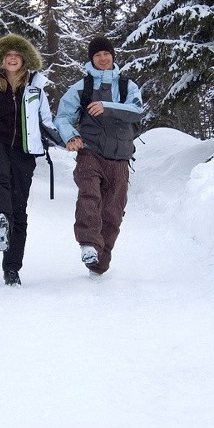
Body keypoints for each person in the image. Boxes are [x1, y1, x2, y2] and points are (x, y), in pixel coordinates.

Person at [0, 34, 58, 286]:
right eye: (8, 55)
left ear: (25, 60)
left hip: (25, 152)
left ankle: (12, 268)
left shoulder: (36, 88)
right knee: (0, 175)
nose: (13, 58)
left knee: (20, 210)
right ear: (2, 61)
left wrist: (68, 139)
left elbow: (46, 122)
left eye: (17, 55)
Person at [54, 36, 143, 276]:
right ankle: (88, 243)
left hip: (120, 157)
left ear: (113, 56)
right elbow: (62, 117)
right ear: (91, 59)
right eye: (97, 55)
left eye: (106, 53)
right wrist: (71, 136)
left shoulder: (127, 86)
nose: (103, 58)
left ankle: (100, 261)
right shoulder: (81, 87)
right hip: (90, 152)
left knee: (113, 210)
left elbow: (136, 111)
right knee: (89, 194)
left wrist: (107, 106)